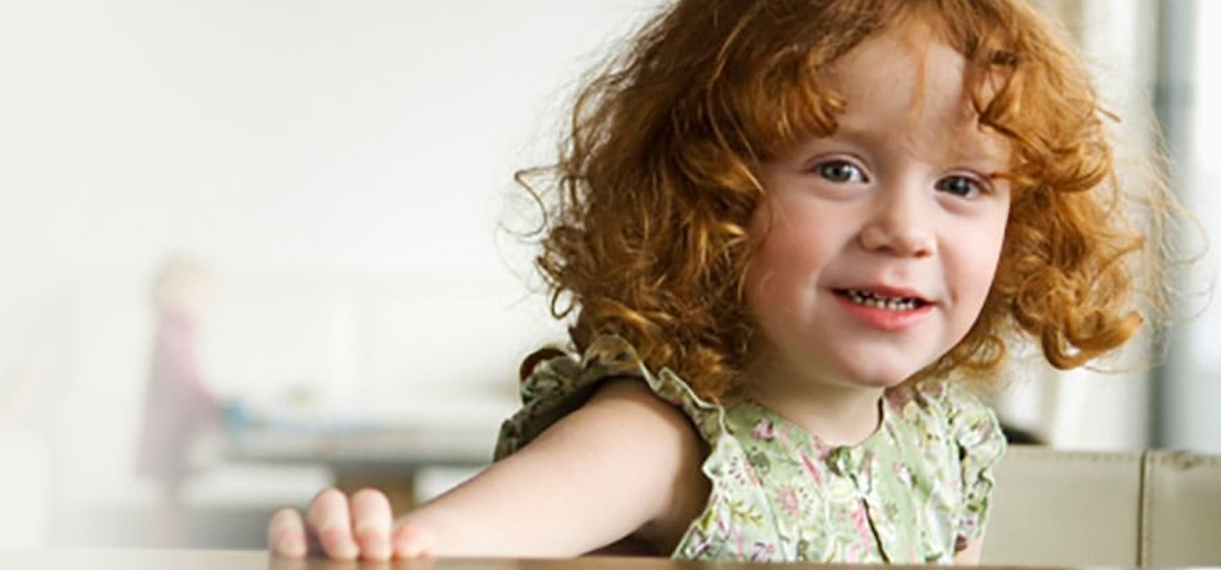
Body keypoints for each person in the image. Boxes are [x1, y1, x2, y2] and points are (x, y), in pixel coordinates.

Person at [268, 0, 1177, 563]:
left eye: (961, 186)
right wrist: (365, 547)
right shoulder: (664, 441)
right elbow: (443, 549)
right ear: (713, 197)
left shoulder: (950, 450)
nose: (904, 230)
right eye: (838, 170)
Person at [136, 254, 223, 543]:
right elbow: (187, 384)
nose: (205, 306)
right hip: (169, 433)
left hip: (176, 429)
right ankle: (166, 550)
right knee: (169, 500)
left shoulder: (178, 332)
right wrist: (217, 405)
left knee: (171, 499)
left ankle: (168, 547)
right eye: (200, 296)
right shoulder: (172, 334)